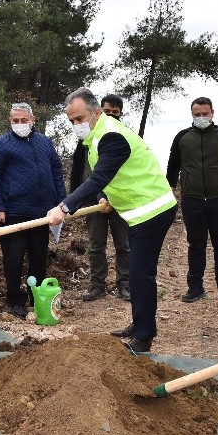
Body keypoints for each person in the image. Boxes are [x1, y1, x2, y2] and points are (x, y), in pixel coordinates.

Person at [48, 88, 176, 353]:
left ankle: (143, 337)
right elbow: (115, 175)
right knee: (139, 273)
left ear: (96, 112)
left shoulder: (111, 136)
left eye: (80, 118)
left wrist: (65, 206)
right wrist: (107, 197)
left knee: (140, 274)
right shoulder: (98, 136)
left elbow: (99, 176)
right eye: (71, 120)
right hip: (139, 212)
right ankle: (141, 322)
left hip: (152, 210)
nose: (76, 124)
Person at [0, 103, 66, 318]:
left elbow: (56, 172)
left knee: (39, 259)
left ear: (32, 120)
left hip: (43, 212)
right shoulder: (1, 144)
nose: (20, 124)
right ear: (10, 121)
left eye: (24, 120)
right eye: (16, 120)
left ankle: (37, 297)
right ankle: (15, 299)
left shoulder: (45, 142)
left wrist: (62, 203)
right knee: (14, 259)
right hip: (14, 211)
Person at [166, 97, 218, 302]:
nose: (201, 117)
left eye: (205, 114)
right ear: (192, 114)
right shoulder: (182, 137)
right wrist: (169, 189)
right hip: (192, 198)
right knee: (196, 244)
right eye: (197, 114)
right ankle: (195, 287)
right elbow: (173, 165)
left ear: (212, 113)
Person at [70, 93, 132, 301]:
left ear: (121, 113)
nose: (111, 115)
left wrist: (112, 197)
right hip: (92, 201)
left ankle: (125, 284)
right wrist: (74, 199)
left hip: (119, 199)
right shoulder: (87, 140)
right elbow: (80, 171)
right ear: (99, 112)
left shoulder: (123, 137)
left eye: (115, 112)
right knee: (96, 244)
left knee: (123, 244)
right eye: (107, 111)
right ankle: (98, 285)